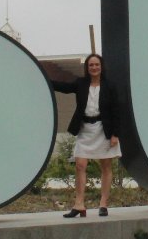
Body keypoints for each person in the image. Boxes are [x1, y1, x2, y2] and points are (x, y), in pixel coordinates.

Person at [49, 54, 122, 218]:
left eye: (96, 65)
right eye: (91, 65)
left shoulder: (110, 86)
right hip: (85, 129)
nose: (94, 68)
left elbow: (116, 111)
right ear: (87, 68)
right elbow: (64, 87)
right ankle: (79, 204)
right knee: (80, 164)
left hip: (105, 129)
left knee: (106, 166)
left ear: (101, 66)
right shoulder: (80, 83)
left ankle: (103, 204)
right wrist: (43, 79)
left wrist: (115, 134)